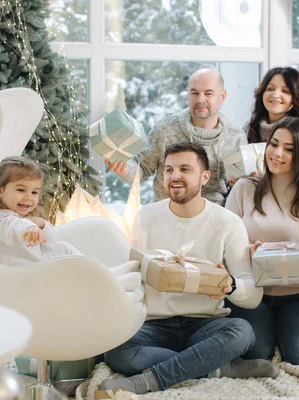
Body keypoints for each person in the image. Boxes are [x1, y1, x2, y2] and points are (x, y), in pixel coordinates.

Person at [100, 143, 277, 395]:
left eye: (185, 169)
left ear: (204, 177)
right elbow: (133, 274)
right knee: (116, 352)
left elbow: (253, 295)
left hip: (204, 325)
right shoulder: (146, 216)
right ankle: (214, 366)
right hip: (154, 324)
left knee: (242, 332)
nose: (175, 176)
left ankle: (146, 382)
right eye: (169, 170)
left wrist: (230, 285)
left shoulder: (227, 223)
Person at [225, 117, 299, 366]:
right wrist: (248, 252)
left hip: (297, 295)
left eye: (289, 149)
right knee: (255, 355)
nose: (277, 153)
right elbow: (226, 242)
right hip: (252, 292)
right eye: (274, 144)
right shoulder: (244, 187)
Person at [105, 68, 246, 205]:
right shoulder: (166, 129)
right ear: (188, 94)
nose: (200, 99)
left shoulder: (235, 137)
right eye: (194, 93)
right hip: (165, 214)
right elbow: (142, 168)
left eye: (208, 93)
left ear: (222, 96)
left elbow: (241, 187)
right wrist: (124, 169)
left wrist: (240, 182)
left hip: (212, 217)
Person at [0, 156, 80, 264]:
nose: (28, 197)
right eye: (21, 190)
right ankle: (90, 274)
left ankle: (90, 273)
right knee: (65, 252)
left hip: (32, 267)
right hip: (16, 272)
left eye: (34, 192)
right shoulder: (1, 218)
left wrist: (42, 224)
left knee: (64, 248)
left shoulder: (22, 218)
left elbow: (51, 241)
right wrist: (29, 227)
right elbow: (13, 226)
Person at [244, 67, 299, 144]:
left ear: (296, 98)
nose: (275, 95)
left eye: (285, 91)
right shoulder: (250, 128)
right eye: (270, 89)